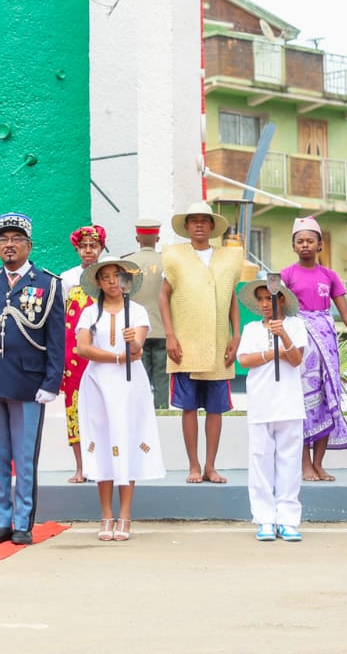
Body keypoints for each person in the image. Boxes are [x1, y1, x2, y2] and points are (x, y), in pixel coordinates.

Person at [0, 211, 64, 547]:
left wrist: (51, 382)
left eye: (16, 239)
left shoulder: (47, 283)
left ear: (29, 245)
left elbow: (57, 339)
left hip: (28, 385)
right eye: (4, 239)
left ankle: (22, 522)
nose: (9, 245)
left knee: (24, 457)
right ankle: (1, 521)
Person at [284, 216, 347, 482]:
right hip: (301, 346)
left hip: (327, 345)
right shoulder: (286, 275)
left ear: (320, 245)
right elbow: (276, 310)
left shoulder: (330, 276)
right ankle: (304, 465)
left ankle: (319, 464)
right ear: (293, 246)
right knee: (303, 404)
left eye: (310, 240)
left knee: (327, 401)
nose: (305, 245)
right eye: (300, 241)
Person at [74, 257, 164, 543]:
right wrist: (116, 356)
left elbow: (137, 349)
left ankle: (125, 514)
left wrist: (132, 342)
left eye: (117, 276)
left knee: (126, 442)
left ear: (126, 281)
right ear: (99, 282)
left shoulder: (137, 312)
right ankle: (105, 514)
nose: (112, 281)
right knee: (101, 445)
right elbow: (82, 348)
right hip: (98, 384)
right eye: (106, 277)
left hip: (129, 384)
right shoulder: (90, 314)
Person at [160, 200, 243, 485]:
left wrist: (236, 335)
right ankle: (193, 465)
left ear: (212, 226)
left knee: (216, 408)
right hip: (186, 344)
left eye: (204, 220)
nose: (198, 224)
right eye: (193, 220)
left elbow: (232, 298)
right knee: (188, 407)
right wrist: (170, 334)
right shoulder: (173, 256)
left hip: (219, 343)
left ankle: (211, 466)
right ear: (186, 226)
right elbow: (163, 296)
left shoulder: (229, 258)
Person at [235, 276, 308, 544]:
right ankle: (265, 518)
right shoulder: (252, 329)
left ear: (281, 300)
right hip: (260, 403)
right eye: (262, 299)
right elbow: (245, 360)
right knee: (260, 460)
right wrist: (271, 353)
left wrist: (283, 335)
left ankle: (288, 519)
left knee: (289, 463)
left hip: (289, 404)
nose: (266, 304)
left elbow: (296, 359)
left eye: (270, 298)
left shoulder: (296, 325)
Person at [59, 224, 105, 483]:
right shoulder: (67, 278)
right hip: (73, 354)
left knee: (102, 408)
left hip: (103, 352)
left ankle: (103, 465)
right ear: (77, 249)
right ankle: (81, 466)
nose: (89, 250)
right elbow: (59, 318)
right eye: (84, 246)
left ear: (101, 249)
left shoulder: (108, 276)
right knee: (74, 409)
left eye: (94, 246)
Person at [130, 219, 169, 411]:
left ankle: (141, 413)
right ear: (157, 238)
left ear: (138, 238)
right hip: (163, 329)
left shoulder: (128, 263)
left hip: (137, 332)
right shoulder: (167, 262)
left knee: (140, 378)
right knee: (162, 377)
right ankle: (162, 412)